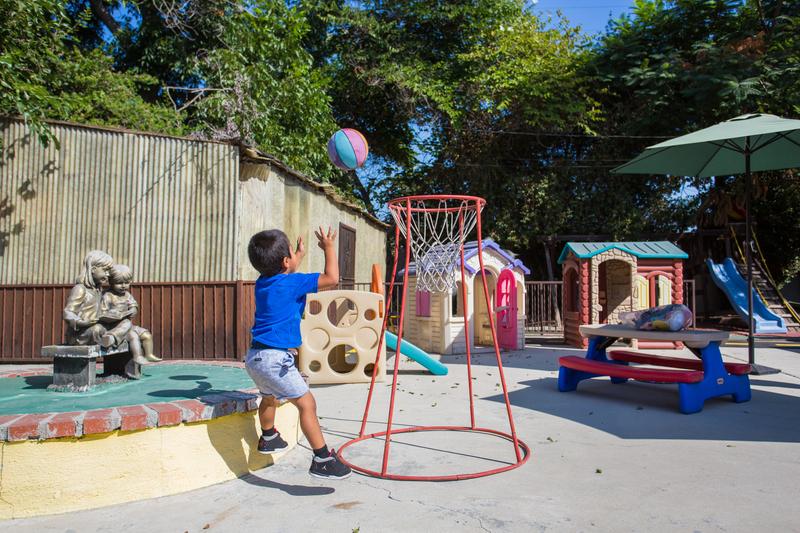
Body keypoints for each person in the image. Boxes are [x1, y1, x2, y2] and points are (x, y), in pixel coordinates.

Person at [246, 227, 351, 480]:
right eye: (291, 254)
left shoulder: (262, 283)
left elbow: (285, 272)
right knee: (307, 404)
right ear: (285, 261)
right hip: (275, 359)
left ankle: (268, 437)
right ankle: (322, 458)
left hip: (255, 357)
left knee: (269, 397)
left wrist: (298, 255)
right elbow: (332, 278)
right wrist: (327, 247)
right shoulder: (293, 282)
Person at [99, 264, 161, 364]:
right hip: (114, 326)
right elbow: (102, 313)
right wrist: (114, 314)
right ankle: (137, 356)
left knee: (146, 335)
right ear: (111, 282)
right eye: (119, 283)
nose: (123, 286)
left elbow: (133, 305)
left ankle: (149, 354)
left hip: (128, 325)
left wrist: (133, 310)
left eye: (126, 283)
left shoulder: (127, 295)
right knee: (133, 336)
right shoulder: (108, 296)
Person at [63, 250, 114, 346]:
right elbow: (68, 313)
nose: (108, 274)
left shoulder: (98, 290)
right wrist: (82, 322)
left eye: (109, 271)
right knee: (98, 329)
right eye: (105, 270)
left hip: (95, 328)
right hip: (80, 334)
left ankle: (111, 339)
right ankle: (109, 339)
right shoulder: (80, 289)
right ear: (93, 269)